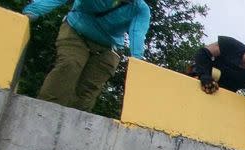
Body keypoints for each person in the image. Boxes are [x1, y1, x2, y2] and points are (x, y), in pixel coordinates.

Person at [22, 0, 151, 112]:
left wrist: (137, 62)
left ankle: (76, 125)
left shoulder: (140, 8)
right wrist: (33, 11)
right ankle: (42, 111)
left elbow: (137, 33)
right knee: (70, 64)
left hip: (107, 47)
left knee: (88, 89)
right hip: (77, 31)